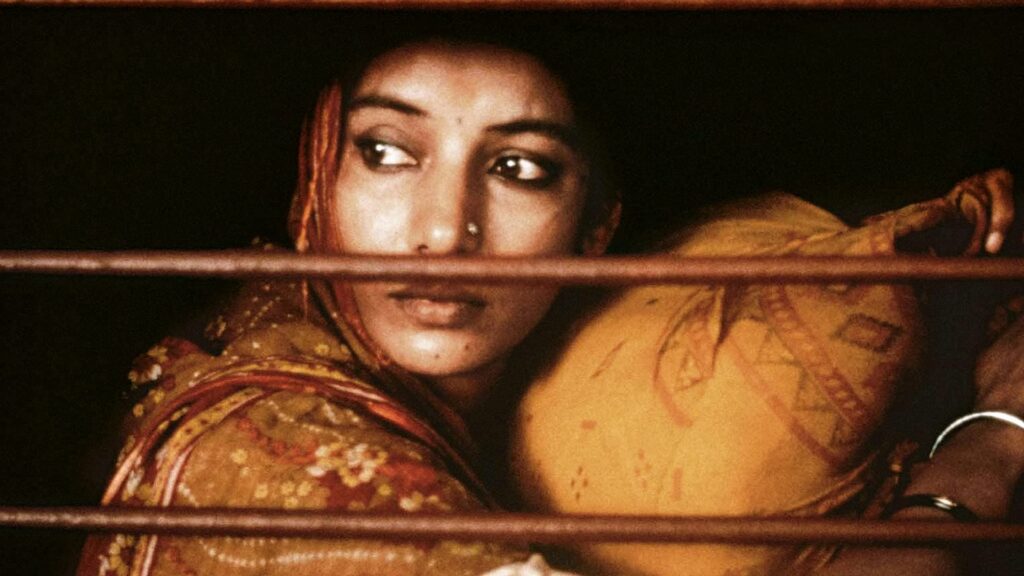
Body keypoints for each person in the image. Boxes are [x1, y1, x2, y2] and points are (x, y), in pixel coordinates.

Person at [77, 37, 1021, 576]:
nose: (445, 231)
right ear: (315, 182)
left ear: (594, 230)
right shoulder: (273, 444)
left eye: (519, 169)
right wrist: (988, 451)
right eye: (388, 154)